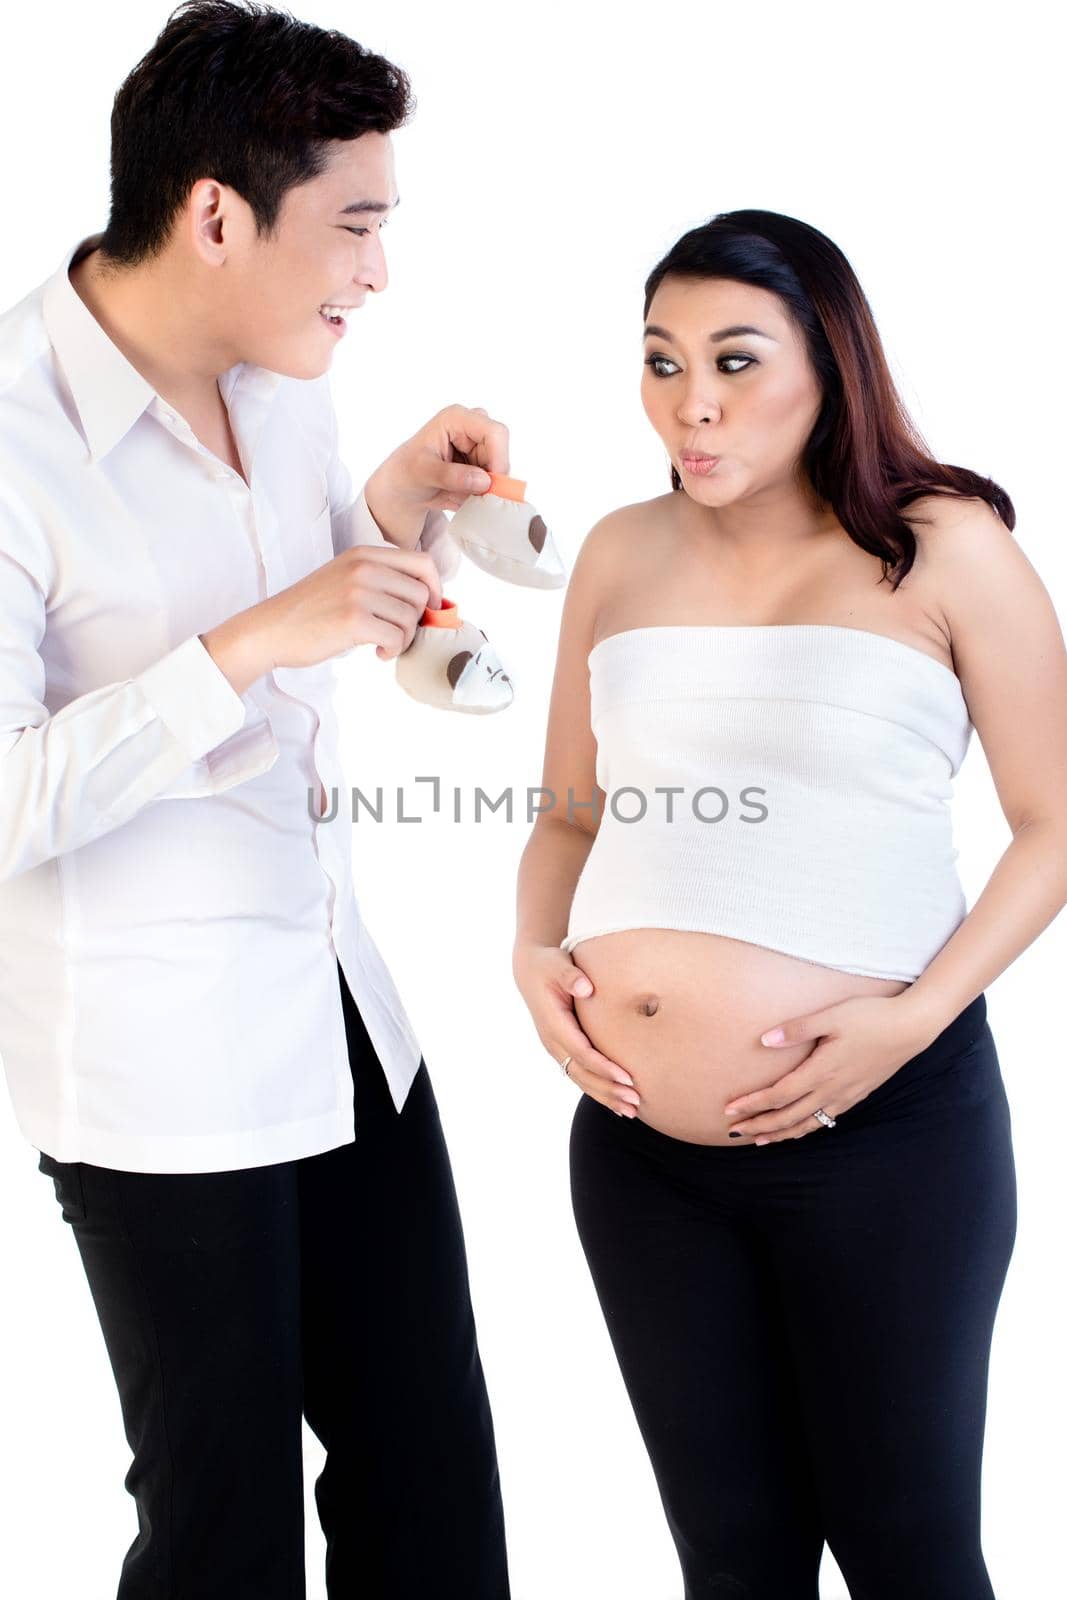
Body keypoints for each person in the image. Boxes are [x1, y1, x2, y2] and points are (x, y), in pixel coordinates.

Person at [0, 3, 512, 1595]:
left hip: (344, 1007)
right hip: (165, 1076)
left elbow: (298, 603)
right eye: (355, 226)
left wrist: (392, 511)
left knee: (435, 1498)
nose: (377, 273)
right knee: (223, 1533)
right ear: (216, 213)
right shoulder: (16, 443)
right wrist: (240, 648)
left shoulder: (284, 374)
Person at [513, 208, 1067, 1598]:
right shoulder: (620, 552)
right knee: (735, 1562)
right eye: (659, 360)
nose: (690, 403)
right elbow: (566, 817)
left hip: (889, 1144)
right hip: (644, 1162)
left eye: (736, 360)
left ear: (830, 362)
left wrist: (916, 1018)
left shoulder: (943, 548)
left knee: (911, 1554)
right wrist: (532, 957)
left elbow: (1054, 825)